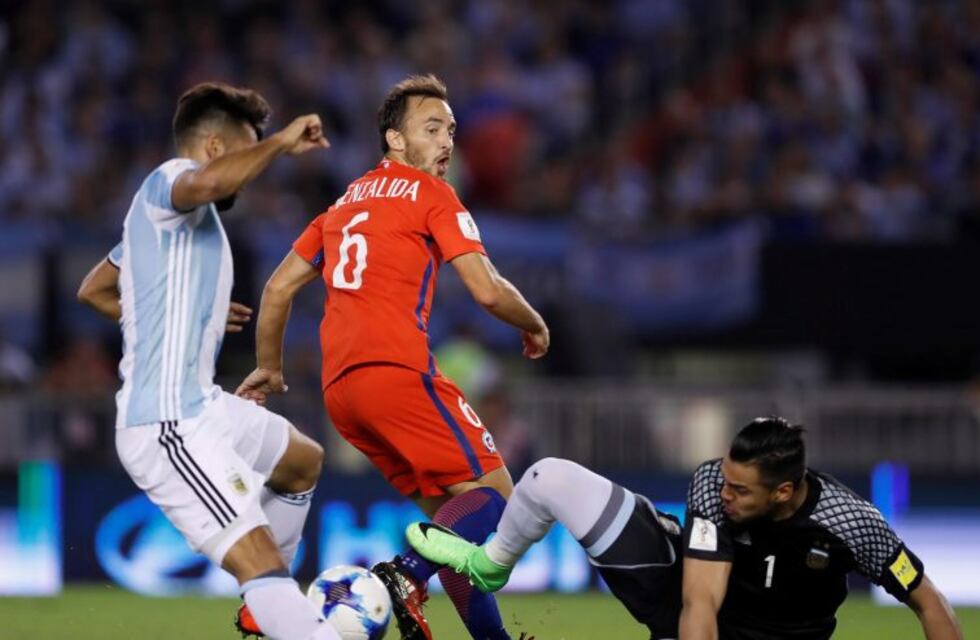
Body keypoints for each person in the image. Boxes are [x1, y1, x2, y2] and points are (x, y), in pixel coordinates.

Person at [236, 74, 549, 640]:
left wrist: (270, 368)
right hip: (399, 373)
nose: (447, 141)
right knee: (501, 501)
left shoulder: (339, 207)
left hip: (343, 396)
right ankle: (402, 578)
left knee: (452, 534)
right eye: (431, 129)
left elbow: (278, 289)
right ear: (395, 141)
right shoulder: (432, 195)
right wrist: (533, 323)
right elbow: (487, 288)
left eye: (451, 130)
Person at [76, 81, 339, 640]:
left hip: (204, 405)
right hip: (166, 420)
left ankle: (267, 614)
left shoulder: (177, 227)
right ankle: (279, 609)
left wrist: (183, 311)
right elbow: (214, 180)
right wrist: (283, 140)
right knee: (260, 560)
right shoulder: (167, 181)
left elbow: (97, 290)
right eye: (245, 149)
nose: (250, 170)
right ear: (216, 148)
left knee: (301, 463)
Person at [406, 418, 964, 640]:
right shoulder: (710, 487)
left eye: (742, 491)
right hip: (686, 605)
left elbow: (929, 603)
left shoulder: (851, 522)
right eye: (726, 478)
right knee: (548, 477)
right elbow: (700, 602)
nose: (724, 495)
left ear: (785, 492)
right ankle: (489, 564)